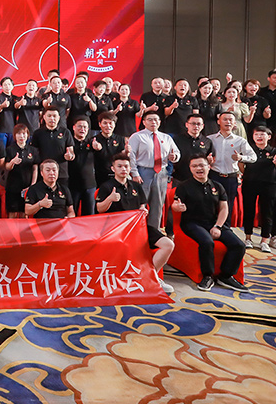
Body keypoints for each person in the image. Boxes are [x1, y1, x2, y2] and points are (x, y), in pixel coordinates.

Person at [96, 154, 175, 293]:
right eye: (119, 166)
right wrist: (110, 199)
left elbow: (142, 205)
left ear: (130, 168)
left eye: (126, 166)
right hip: (117, 230)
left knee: (168, 245)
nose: (123, 169)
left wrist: (143, 210)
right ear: (113, 168)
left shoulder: (136, 186)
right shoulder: (106, 186)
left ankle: (150, 276)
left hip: (138, 227)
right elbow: (99, 209)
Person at [172, 156, 248, 292]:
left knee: (239, 245)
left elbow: (224, 208)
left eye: (201, 165)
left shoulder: (217, 186)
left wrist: (218, 226)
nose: (198, 168)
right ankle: (207, 276)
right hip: (192, 223)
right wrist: (177, 207)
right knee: (207, 242)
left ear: (209, 167)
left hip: (213, 222)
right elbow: (175, 204)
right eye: (194, 166)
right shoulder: (184, 186)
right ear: (190, 169)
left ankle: (226, 275)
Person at [207, 110, 255, 237]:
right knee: (211, 203)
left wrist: (241, 158)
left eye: (230, 120)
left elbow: (253, 157)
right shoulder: (210, 139)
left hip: (230, 177)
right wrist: (208, 160)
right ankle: (210, 229)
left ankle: (225, 230)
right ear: (218, 121)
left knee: (228, 205)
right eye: (225, 119)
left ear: (234, 124)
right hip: (214, 175)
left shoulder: (240, 141)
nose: (228, 122)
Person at [128, 110, 180, 229]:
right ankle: (138, 230)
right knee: (140, 203)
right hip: (143, 172)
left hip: (161, 173)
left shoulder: (166, 137)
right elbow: (131, 156)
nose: (153, 122)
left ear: (160, 122)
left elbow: (176, 152)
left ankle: (154, 231)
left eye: (156, 120)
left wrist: (174, 157)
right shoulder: (137, 137)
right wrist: (134, 173)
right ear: (144, 122)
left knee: (158, 204)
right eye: (150, 119)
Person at [241, 126, 276, 252]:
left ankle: (264, 240)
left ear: (269, 137)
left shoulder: (273, 151)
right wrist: (246, 175)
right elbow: (240, 163)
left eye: (262, 134)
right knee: (248, 209)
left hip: (269, 184)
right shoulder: (248, 150)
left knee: (267, 212)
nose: (259, 137)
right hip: (250, 183)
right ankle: (248, 238)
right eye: (256, 134)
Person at [30, 109, 75, 183]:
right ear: (44, 117)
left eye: (54, 116)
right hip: (43, 174)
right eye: (49, 116)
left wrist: (70, 156)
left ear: (59, 118)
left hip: (61, 174)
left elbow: (71, 152)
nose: (52, 118)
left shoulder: (65, 132)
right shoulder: (38, 133)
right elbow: (34, 154)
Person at [4, 124, 39, 219]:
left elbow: (35, 168)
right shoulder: (10, 150)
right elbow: (6, 167)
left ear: (27, 135)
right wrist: (12, 162)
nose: (21, 136)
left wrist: (32, 185)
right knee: (12, 213)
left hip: (27, 186)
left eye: (24, 133)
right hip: (13, 187)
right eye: (19, 134)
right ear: (14, 136)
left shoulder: (33, 150)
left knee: (25, 213)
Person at [68, 117, 100, 216]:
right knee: (72, 215)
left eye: (85, 127)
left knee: (89, 215)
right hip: (72, 185)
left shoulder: (92, 142)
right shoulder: (69, 143)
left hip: (90, 185)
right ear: (74, 127)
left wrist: (98, 148)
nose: (82, 129)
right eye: (79, 126)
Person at [173, 115, 215, 185]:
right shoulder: (177, 139)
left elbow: (211, 158)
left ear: (203, 126)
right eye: (193, 123)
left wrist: (210, 161)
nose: (196, 126)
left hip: (200, 179)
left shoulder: (207, 141)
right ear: (186, 125)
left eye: (198, 124)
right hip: (180, 178)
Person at [92, 112, 127, 186]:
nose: (108, 126)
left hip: (116, 175)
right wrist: (97, 149)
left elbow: (122, 156)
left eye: (110, 123)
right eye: (105, 123)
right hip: (99, 176)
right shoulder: (94, 140)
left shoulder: (120, 139)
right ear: (99, 124)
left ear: (114, 125)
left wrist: (127, 152)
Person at [0, 77, 15, 147]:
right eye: (5, 85)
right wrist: (2, 106)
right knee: (2, 151)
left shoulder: (15, 98)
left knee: (12, 151)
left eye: (9, 84)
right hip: (2, 130)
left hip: (14, 130)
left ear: (12, 86)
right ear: (2, 87)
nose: (7, 86)